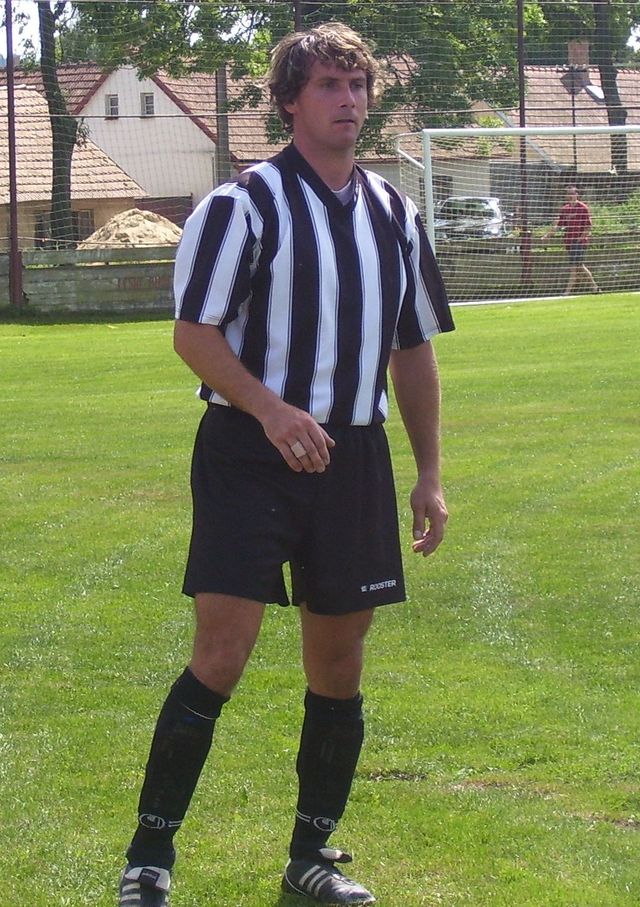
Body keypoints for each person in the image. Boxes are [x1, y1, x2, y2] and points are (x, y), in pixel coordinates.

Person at [118, 21, 454, 907]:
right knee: (221, 653)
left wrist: (428, 472)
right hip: (248, 452)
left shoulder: (395, 214)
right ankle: (149, 857)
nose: (349, 100)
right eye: (329, 86)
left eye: (358, 85)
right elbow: (194, 335)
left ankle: (312, 856)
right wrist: (270, 409)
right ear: (289, 102)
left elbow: (414, 349)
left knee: (339, 664)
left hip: (354, 457)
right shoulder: (243, 205)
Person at [544, 185, 600, 295]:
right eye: (568, 194)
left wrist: (580, 239)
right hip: (569, 242)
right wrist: (547, 235)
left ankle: (567, 292)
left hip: (579, 242)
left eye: (572, 193)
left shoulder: (583, 208)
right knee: (579, 266)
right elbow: (559, 225)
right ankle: (594, 287)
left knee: (574, 267)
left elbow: (588, 226)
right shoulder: (565, 209)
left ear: (576, 194)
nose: (570, 196)